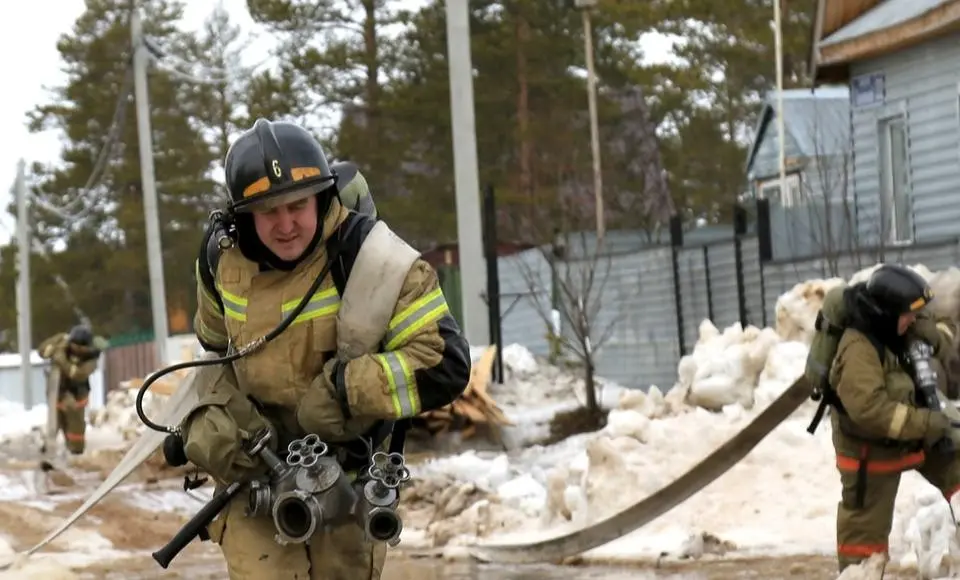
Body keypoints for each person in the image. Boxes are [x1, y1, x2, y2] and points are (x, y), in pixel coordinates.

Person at [183, 118, 471, 579]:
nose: (285, 224)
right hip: (254, 482)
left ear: (322, 196)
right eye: (267, 211)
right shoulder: (220, 260)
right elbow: (215, 353)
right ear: (242, 216)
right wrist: (213, 416)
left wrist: (346, 390)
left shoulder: (374, 259)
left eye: (297, 204)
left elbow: (444, 364)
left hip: (347, 487)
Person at [829, 264, 960, 572]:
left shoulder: (903, 324)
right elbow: (870, 410)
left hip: (915, 437)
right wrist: (927, 423)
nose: (914, 319)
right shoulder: (858, 348)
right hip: (870, 454)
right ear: (887, 313)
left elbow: (938, 323)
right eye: (908, 314)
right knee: (863, 552)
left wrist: (936, 333)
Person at [37, 324, 103, 455]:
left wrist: (62, 360)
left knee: (75, 430)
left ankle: (75, 451)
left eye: (80, 347)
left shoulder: (91, 358)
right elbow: (42, 351)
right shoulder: (62, 341)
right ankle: (49, 449)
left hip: (76, 396)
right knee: (54, 423)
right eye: (74, 345)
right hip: (57, 392)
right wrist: (53, 349)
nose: (76, 349)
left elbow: (78, 374)